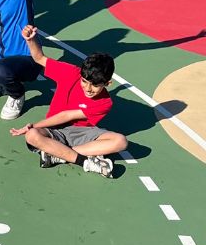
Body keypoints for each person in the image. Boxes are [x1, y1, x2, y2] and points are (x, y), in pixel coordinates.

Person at [9, 25, 127, 178]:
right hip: (55, 129)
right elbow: (39, 58)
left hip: (82, 134)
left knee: (121, 141)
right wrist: (31, 40)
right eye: (85, 81)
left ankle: (57, 154)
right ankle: (85, 162)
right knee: (32, 135)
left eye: (96, 85)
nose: (88, 88)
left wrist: (34, 125)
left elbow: (67, 115)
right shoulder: (70, 73)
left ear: (108, 83)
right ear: (81, 74)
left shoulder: (105, 102)